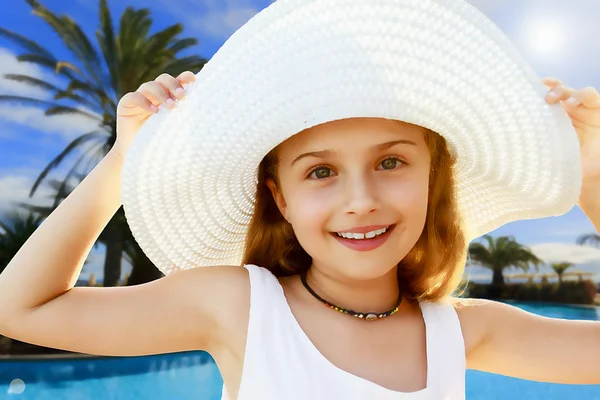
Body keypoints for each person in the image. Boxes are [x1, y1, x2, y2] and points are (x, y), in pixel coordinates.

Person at [1, 0, 600, 399]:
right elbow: (19, 308)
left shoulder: (460, 332)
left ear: (431, 180)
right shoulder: (240, 305)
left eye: (391, 162)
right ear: (278, 197)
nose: (360, 200)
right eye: (320, 172)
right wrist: (123, 164)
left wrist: (592, 176)